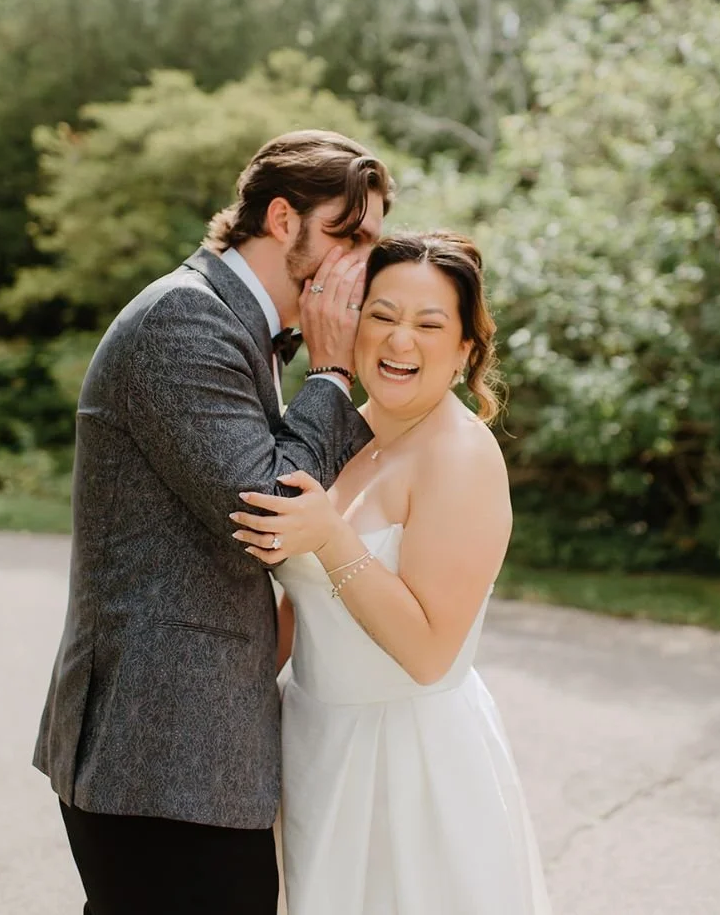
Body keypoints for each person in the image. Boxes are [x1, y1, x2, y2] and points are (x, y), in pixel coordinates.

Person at [33, 130, 391, 913]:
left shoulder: (237, 324)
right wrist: (332, 373)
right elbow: (270, 513)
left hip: (191, 750)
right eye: (351, 236)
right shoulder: (185, 320)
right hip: (156, 749)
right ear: (284, 219)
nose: (362, 264)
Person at [231, 231, 551, 914]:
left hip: (408, 764)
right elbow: (306, 603)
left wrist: (331, 537)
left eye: (428, 325)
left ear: (465, 349)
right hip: (313, 745)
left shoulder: (460, 456)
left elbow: (430, 653)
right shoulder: (341, 432)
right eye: (382, 315)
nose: (399, 339)